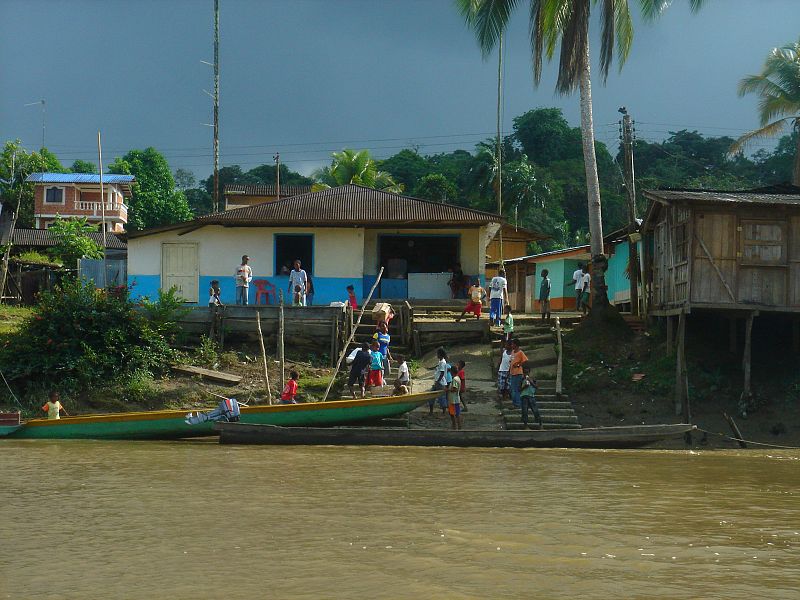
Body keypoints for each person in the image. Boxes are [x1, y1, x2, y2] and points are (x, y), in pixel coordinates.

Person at [509, 338, 528, 410]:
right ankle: (515, 403)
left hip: (518, 373)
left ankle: (517, 404)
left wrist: (518, 365)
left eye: (512, 344)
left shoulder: (520, 352)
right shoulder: (513, 352)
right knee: (512, 389)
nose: (511, 345)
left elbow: (525, 360)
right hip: (512, 373)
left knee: (515, 389)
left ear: (516, 345)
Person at [430, 347, 449, 415]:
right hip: (438, 382)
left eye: (437, 354)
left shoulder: (442, 362)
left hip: (440, 383)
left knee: (441, 397)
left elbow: (442, 373)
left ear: (440, 354)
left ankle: (444, 412)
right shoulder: (440, 361)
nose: (436, 355)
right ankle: (431, 411)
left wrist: (438, 381)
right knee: (431, 395)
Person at [447, 365, 463, 430]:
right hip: (456, 399)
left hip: (453, 400)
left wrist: (447, 390)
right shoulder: (457, 378)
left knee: (452, 414)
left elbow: (455, 389)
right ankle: (458, 426)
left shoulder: (455, 379)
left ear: (452, 372)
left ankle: (455, 426)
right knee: (456, 413)